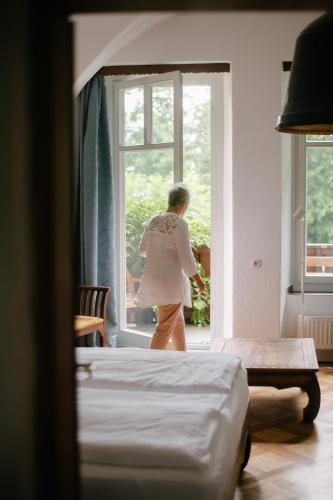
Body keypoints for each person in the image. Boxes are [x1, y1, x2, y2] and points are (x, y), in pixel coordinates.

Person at [134, 183, 205, 351]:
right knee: (164, 327)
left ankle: (182, 356)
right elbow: (187, 259)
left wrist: (158, 250)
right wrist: (199, 281)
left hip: (153, 281)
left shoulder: (153, 219)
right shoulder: (180, 225)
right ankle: (151, 364)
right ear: (184, 203)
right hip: (169, 285)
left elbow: (142, 250)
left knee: (177, 321)